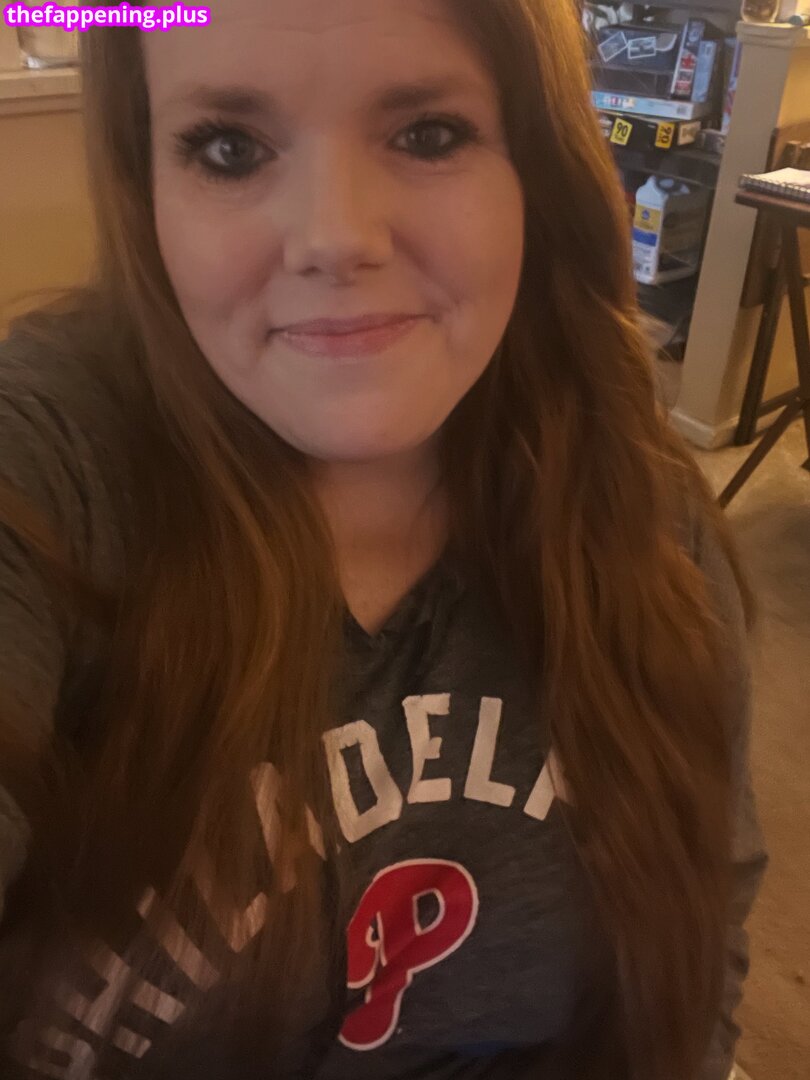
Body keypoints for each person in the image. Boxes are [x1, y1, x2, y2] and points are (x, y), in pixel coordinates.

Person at [0, 2, 767, 1078]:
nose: (336, 237)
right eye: (229, 149)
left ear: (536, 171)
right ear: (145, 187)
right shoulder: (44, 469)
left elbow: (700, 945)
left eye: (428, 134)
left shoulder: (637, 509)